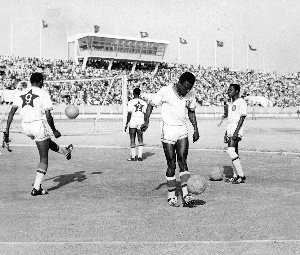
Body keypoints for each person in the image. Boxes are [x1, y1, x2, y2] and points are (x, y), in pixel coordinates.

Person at [3, 72, 73, 196]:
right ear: (41, 82)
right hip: (37, 126)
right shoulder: (43, 93)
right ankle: (36, 188)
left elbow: (11, 112)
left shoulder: (21, 92)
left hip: (25, 127)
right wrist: (55, 130)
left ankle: (65, 151)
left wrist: (7, 130)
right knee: (44, 158)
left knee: (46, 142)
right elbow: (48, 116)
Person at [141, 72, 199, 207]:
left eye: (189, 88)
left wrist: (196, 129)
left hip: (182, 130)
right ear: (179, 82)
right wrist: (146, 121)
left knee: (183, 161)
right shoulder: (165, 91)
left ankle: (185, 195)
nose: (187, 90)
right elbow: (151, 104)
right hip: (168, 130)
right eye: (185, 87)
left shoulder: (190, 94)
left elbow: (191, 112)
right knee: (171, 163)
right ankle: (171, 196)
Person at [224, 84, 247, 184]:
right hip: (230, 129)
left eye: (231, 90)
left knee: (230, 151)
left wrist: (236, 132)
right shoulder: (230, 103)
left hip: (236, 129)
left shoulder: (241, 102)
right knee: (235, 152)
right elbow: (229, 120)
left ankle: (241, 175)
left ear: (237, 91)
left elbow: (242, 117)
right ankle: (235, 175)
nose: (228, 91)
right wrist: (226, 133)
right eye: (228, 90)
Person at [124, 87, 147, 161]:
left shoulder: (131, 102)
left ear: (133, 93)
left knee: (132, 138)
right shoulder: (144, 102)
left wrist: (127, 123)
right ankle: (140, 156)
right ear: (139, 94)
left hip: (133, 120)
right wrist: (146, 122)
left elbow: (129, 114)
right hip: (140, 120)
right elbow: (146, 114)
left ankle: (133, 157)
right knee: (140, 138)